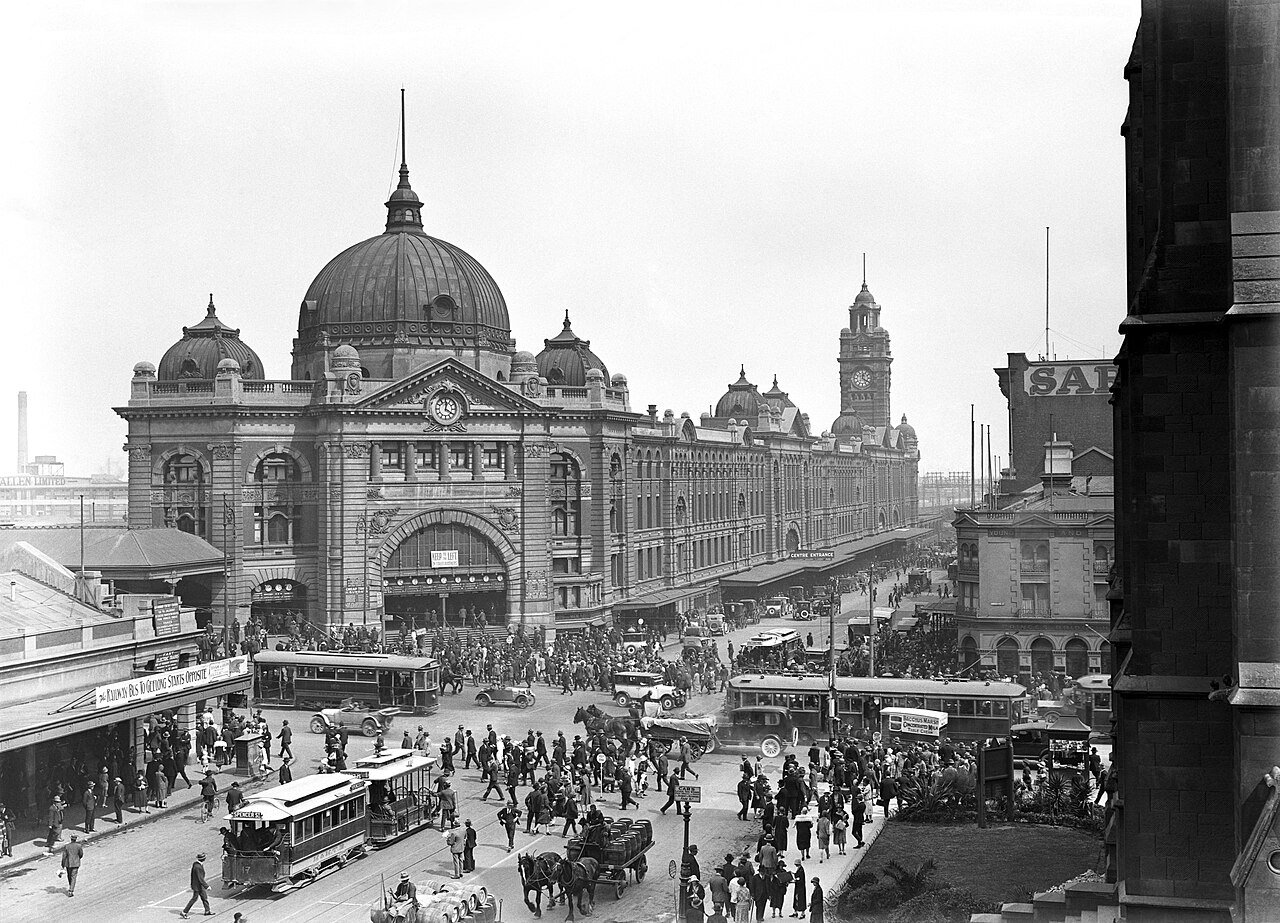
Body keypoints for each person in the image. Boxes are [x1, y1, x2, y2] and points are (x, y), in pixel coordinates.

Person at [180, 852, 213, 917]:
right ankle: (184, 912)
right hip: (197, 886)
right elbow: (200, 878)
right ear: (203, 859)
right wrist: (207, 886)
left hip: (198, 885)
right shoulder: (198, 867)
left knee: (204, 897)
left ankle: (207, 910)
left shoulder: (196, 864)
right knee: (194, 898)